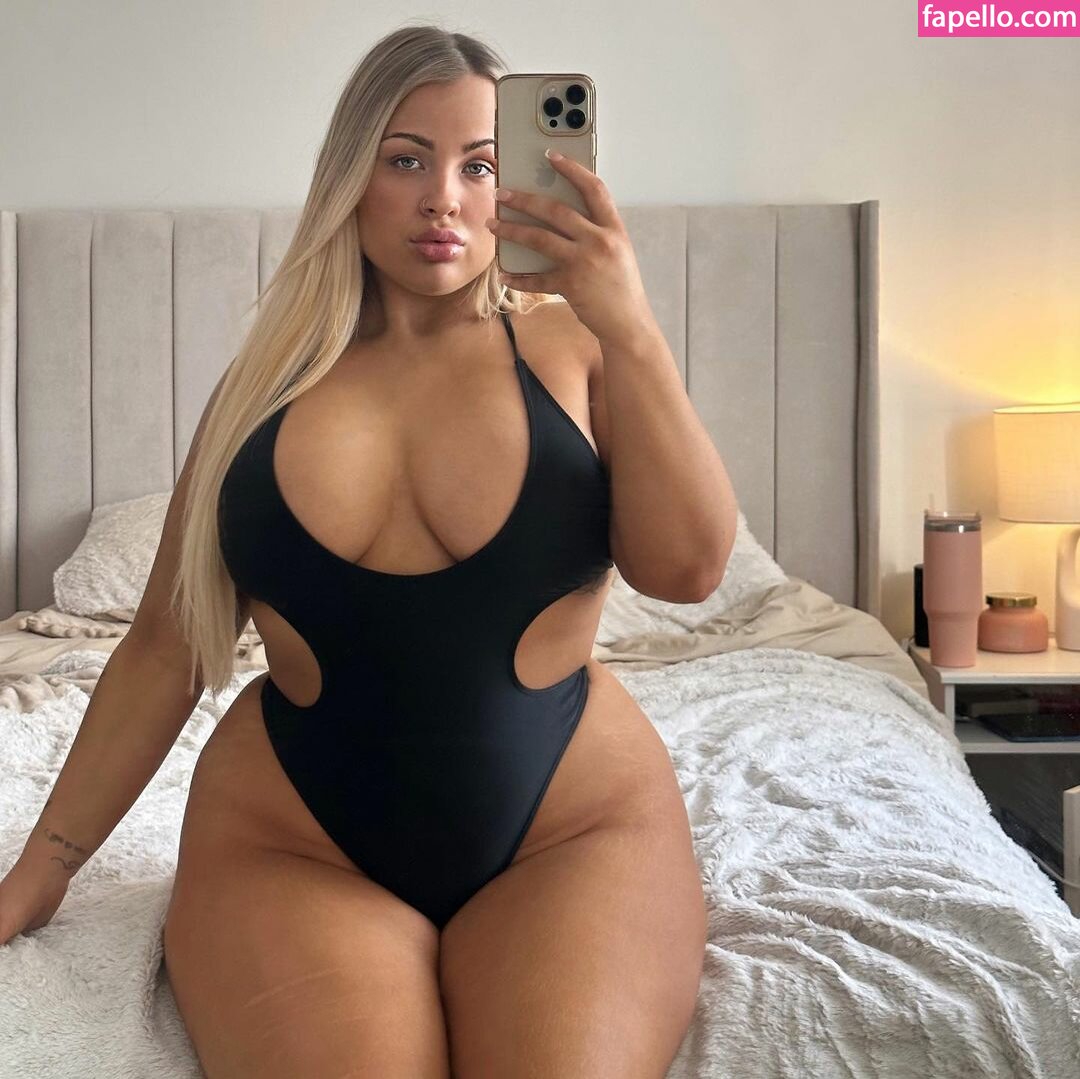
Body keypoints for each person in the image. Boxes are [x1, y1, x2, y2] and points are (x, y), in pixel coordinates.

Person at [1, 22, 734, 1078]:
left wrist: (634, 329)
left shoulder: (580, 352)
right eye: (406, 160)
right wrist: (45, 869)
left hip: (571, 832)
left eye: (480, 165)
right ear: (352, 177)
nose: (444, 199)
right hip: (296, 844)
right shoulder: (263, 388)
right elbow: (166, 644)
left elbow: (689, 570)